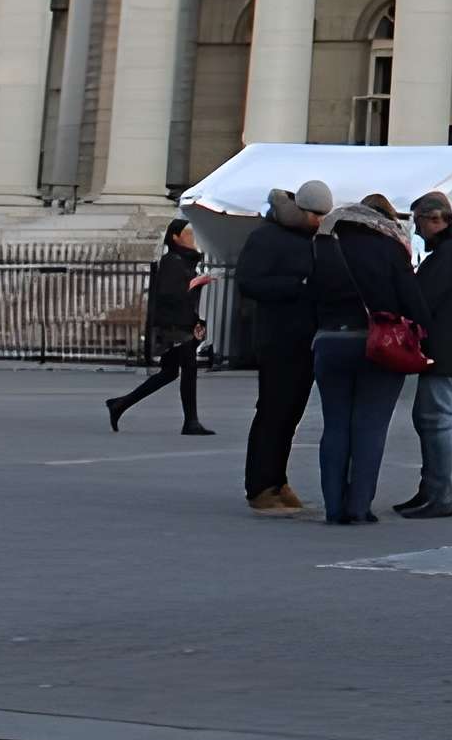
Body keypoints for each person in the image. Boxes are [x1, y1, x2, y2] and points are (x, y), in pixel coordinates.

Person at [308, 190, 424, 526]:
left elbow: (306, 294)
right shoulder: (390, 247)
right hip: (377, 344)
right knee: (370, 427)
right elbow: (411, 300)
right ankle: (359, 506)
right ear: (384, 221)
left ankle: (333, 506)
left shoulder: (322, 245)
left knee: (335, 426)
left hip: (330, 339)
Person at [236, 181, 326, 516]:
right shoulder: (265, 236)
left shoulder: (311, 239)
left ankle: (277, 479)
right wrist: (298, 286)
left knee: (291, 414)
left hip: (305, 339)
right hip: (278, 338)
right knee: (273, 412)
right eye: (315, 213)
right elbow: (248, 281)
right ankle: (260, 485)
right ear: (301, 209)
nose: (319, 220)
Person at [395, 190, 452, 521]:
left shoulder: (451, 253)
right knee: (430, 419)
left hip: (445, 349)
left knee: (436, 421)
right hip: (451, 346)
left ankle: (440, 494)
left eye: (418, 222)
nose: (416, 232)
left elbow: (423, 297)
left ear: (435, 219)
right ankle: (430, 489)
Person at [106, 219, 214, 437]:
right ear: (175, 237)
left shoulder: (184, 261)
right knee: (188, 368)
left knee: (170, 372)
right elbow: (169, 294)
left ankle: (120, 404)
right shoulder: (172, 261)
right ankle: (191, 422)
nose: (193, 239)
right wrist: (195, 284)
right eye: (188, 234)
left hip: (182, 323)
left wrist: (196, 317)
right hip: (174, 326)